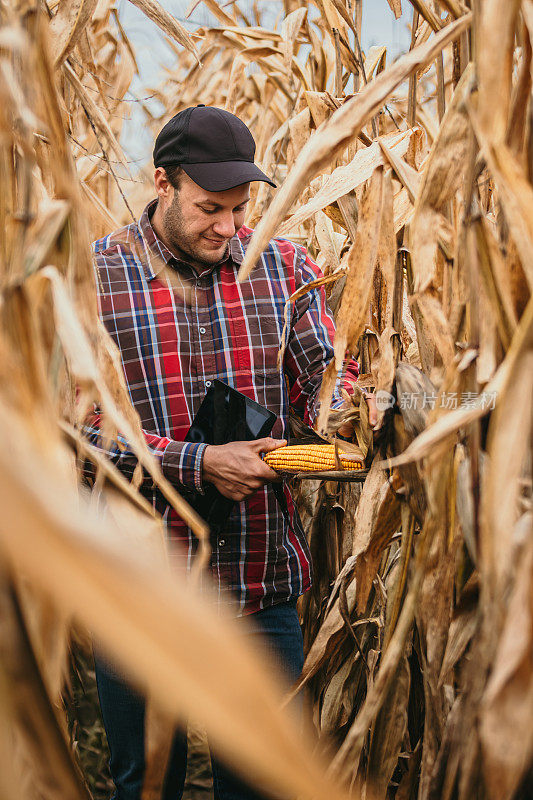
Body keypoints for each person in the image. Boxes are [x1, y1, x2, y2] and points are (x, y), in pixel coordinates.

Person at [85, 105, 374, 800]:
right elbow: (75, 423)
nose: (228, 227)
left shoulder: (280, 265)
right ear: (162, 182)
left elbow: (326, 383)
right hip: (138, 583)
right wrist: (198, 462)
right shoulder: (96, 278)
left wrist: (360, 410)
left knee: (265, 780)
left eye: (240, 208)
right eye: (209, 208)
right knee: (146, 782)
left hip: (256, 579)